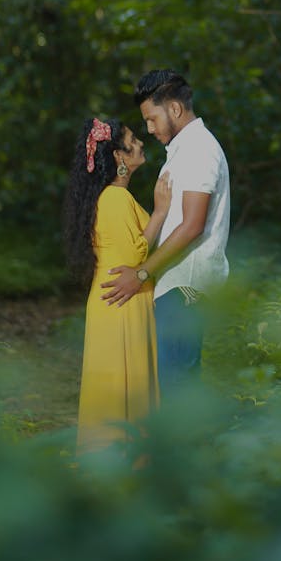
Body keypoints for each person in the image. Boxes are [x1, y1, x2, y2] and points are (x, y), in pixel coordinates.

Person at [101, 70, 230, 390]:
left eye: (151, 118)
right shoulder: (184, 150)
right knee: (168, 388)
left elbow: (192, 226)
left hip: (184, 286)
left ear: (174, 109)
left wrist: (141, 274)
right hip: (173, 284)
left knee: (175, 390)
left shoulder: (200, 148)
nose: (149, 128)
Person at [63, 116, 171, 454]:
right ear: (120, 158)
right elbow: (134, 255)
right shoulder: (115, 199)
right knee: (125, 388)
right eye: (132, 140)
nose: (140, 143)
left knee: (116, 387)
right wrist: (160, 212)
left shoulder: (113, 198)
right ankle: (123, 468)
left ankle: (113, 467)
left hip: (116, 301)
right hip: (123, 302)